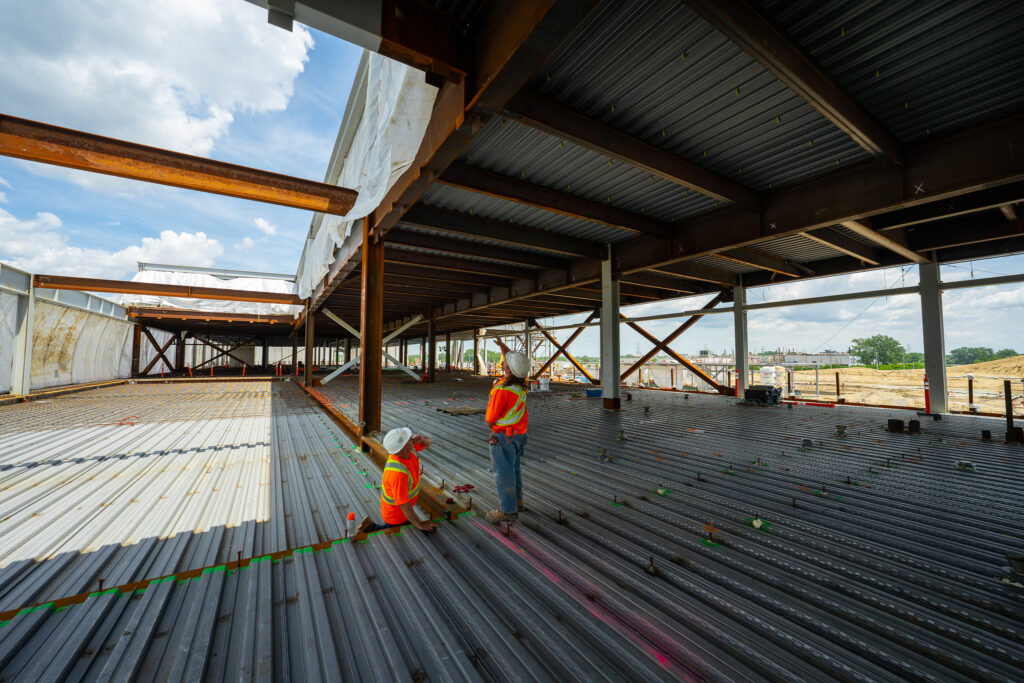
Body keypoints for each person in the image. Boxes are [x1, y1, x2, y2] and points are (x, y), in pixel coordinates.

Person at [356, 427, 438, 534]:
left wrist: (421, 439)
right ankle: (369, 529)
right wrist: (419, 524)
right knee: (399, 533)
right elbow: (404, 504)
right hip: (396, 515)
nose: (411, 438)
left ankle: (370, 526)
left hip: (400, 511)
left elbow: (429, 442)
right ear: (404, 447)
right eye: (409, 439)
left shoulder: (408, 451)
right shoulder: (398, 473)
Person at [485, 336, 531, 522]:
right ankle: (517, 501)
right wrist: (502, 345)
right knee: (514, 468)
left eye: (506, 361)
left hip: (503, 436)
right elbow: (513, 361)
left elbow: (490, 418)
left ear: (508, 369)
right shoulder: (521, 382)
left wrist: (493, 430)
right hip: (519, 435)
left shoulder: (502, 390)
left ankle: (507, 510)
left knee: (503, 472)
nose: (504, 360)